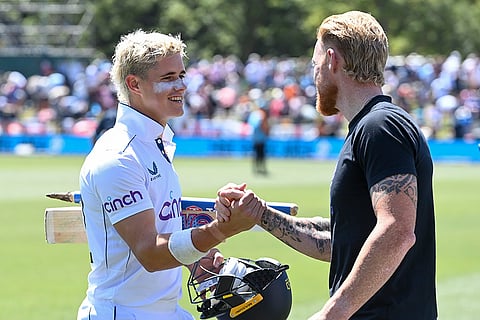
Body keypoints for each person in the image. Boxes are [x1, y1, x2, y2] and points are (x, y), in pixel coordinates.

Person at [215, 11, 437, 320]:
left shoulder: (380, 125)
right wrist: (261, 214)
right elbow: (341, 241)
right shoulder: (369, 126)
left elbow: (397, 230)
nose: (313, 74)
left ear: (332, 60)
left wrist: (334, 312)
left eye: (314, 63)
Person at [77, 29, 255, 320]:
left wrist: (197, 259)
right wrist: (221, 229)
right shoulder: (118, 157)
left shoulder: (156, 144)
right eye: (168, 78)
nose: (181, 86)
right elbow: (150, 252)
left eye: (182, 75)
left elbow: (163, 230)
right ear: (134, 84)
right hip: (122, 313)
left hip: (164, 310)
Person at [248, 106, 269, 175]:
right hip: (257, 137)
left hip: (260, 138)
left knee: (261, 154)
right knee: (257, 154)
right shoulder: (256, 115)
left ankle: (261, 168)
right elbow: (256, 125)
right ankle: (257, 168)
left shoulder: (258, 114)